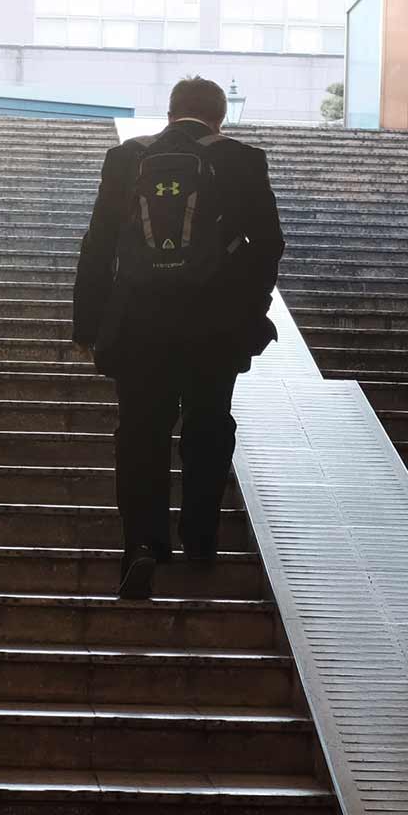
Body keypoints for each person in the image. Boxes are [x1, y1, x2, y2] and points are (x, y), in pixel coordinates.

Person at [73, 77, 285, 599]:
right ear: (219, 118)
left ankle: (142, 544)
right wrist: (250, 310)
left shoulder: (125, 158)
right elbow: (269, 243)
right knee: (208, 427)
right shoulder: (241, 159)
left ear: (170, 113)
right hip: (213, 328)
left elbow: (98, 244)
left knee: (141, 433)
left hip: (138, 327)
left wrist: (88, 324)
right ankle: (200, 539)